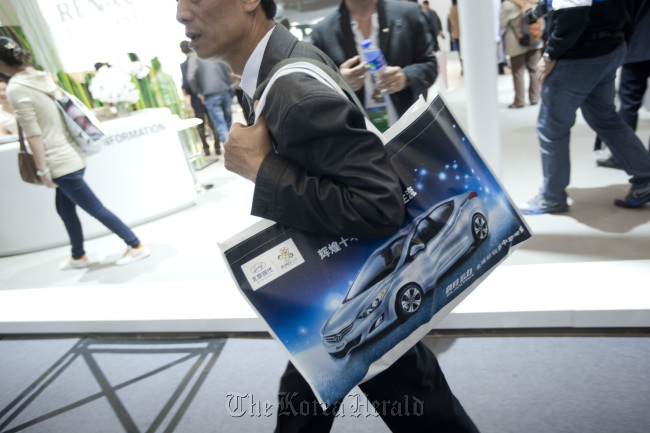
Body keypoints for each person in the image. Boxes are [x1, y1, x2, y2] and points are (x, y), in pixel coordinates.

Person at [176, 1, 479, 432]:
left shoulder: (292, 86)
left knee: (401, 390)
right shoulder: (282, 63)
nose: (181, 15)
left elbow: (378, 206)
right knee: (384, 382)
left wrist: (262, 171)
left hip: (354, 271)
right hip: (346, 274)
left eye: (193, 0)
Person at [0, 37, 151, 268]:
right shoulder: (39, 77)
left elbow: (34, 134)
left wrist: (43, 170)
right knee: (64, 208)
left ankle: (136, 245)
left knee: (95, 209)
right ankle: (78, 255)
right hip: (72, 153)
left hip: (59, 161)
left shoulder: (17, 88)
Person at [521, 0, 650, 214]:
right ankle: (645, 178)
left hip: (578, 55)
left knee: (552, 128)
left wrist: (550, 53)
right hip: (610, 46)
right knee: (606, 119)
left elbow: (574, 10)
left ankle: (552, 197)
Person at [310, 0, 438, 131]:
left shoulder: (408, 14)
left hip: (410, 129)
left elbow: (430, 65)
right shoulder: (323, 33)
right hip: (359, 137)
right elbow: (314, 92)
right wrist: (340, 82)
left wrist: (405, 77)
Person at [596, 0, 650, 169]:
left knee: (628, 104)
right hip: (637, 47)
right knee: (628, 104)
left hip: (637, 47)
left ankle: (622, 156)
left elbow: (623, 14)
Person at [186, 50, 234, 156]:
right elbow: (227, 70)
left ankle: (233, 153)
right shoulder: (214, 50)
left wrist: (198, 93)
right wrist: (230, 89)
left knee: (221, 125)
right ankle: (234, 149)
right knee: (228, 124)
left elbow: (190, 77)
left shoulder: (195, 57)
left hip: (211, 95)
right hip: (224, 91)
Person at [500, 0, 543, 108]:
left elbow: (501, 23)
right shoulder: (534, 1)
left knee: (518, 72)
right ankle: (535, 97)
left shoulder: (508, 4)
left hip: (516, 42)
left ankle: (519, 101)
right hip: (535, 39)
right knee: (534, 70)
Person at [179, 40, 213, 156]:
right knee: (212, 121)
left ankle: (206, 147)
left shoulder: (183, 65)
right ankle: (218, 146)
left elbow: (187, 83)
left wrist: (191, 92)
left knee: (201, 124)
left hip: (195, 98)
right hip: (207, 95)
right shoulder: (202, 60)